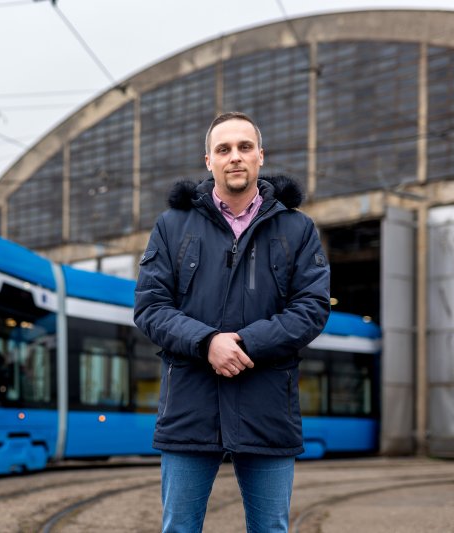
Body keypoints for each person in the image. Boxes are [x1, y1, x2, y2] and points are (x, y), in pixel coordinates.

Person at [134, 111, 330, 533]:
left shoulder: (297, 229)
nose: (234, 157)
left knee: (271, 529)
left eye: (244, 147)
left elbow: (312, 308)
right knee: (179, 528)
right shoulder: (171, 227)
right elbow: (150, 307)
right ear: (209, 161)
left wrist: (242, 343)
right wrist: (208, 343)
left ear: (261, 155)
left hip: (267, 408)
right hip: (191, 406)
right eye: (223, 149)